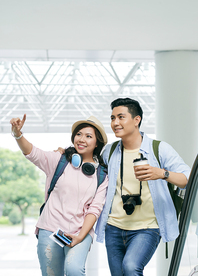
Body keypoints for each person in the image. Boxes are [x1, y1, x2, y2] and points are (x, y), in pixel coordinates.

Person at [95, 97, 191, 276]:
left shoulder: (159, 149)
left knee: (131, 267)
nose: (115, 123)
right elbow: (90, 171)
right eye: (112, 118)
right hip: (114, 227)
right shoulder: (110, 151)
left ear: (136, 119)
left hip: (147, 228)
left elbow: (188, 178)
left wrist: (162, 173)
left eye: (121, 117)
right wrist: (66, 153)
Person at [10, 114, 108, 276]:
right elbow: (33, 153)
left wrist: (80, 236)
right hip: (50, 229)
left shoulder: (102, 175)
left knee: (74, 270)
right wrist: (18, 134)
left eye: (88, 136)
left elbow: (94, 210)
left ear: (97, 142)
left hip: (80, 231)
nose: (81, 139)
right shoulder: (59, 160)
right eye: (79, 134)